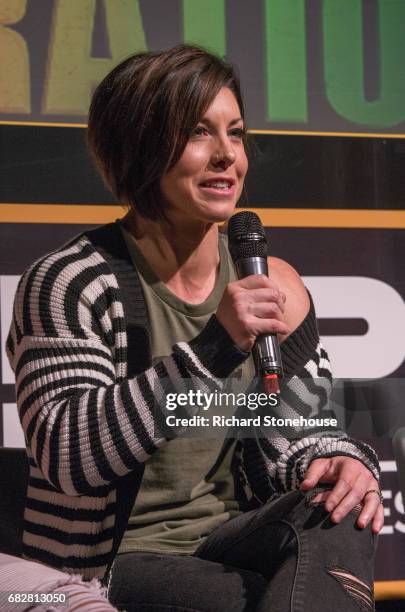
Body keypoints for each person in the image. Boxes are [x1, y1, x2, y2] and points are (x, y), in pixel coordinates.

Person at [6, 44, 383, 611]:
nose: (227, 156)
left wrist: (337, 460)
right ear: (141, 146)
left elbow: (297, 433)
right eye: (199, 133)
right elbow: (70, 460)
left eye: (236, 133)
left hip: (229, 539)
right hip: (109, 564)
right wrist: (213, 347)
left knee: (340, 504)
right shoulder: (70, 281)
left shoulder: (271, 281)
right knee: (266, 600)